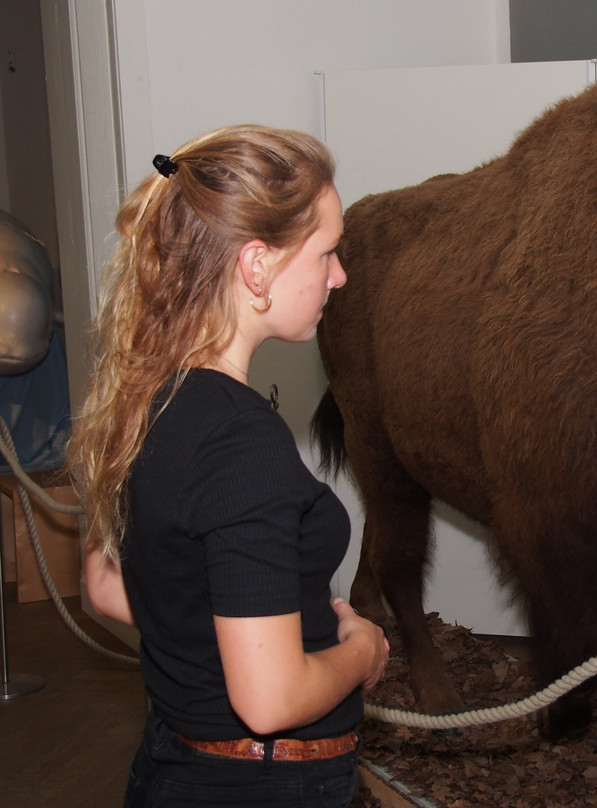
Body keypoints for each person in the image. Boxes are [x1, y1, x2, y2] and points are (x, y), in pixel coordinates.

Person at [67, 124, 390, 808]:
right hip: (261, 784)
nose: (341, 275)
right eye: (328, 252)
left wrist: (257, 631)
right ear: (256, 266)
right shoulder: (241, 443)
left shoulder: (139, 398)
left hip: (175, 762)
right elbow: (269, 700)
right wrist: (362, 650)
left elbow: (104, 585)